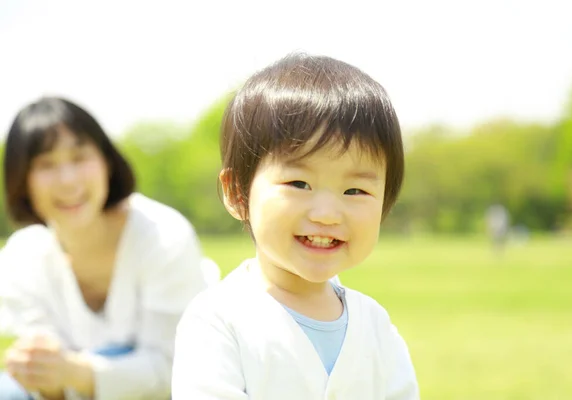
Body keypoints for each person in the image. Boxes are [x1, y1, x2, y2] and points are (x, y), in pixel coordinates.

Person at [172, 53, 419, 399]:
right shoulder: (218, 321)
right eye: (299, 184)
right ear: (237, 193)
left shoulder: (374, 325)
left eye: (355, 190)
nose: (327, 214)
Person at [0, 96, 217, 399]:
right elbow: (51, 388)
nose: (68, 180)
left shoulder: (162, 235)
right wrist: (41, 372)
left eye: (79, 158)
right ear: (22, 181)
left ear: (107, 163)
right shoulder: (21, 256)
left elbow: (180, 372)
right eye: (45, 164)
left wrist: (74, 372)